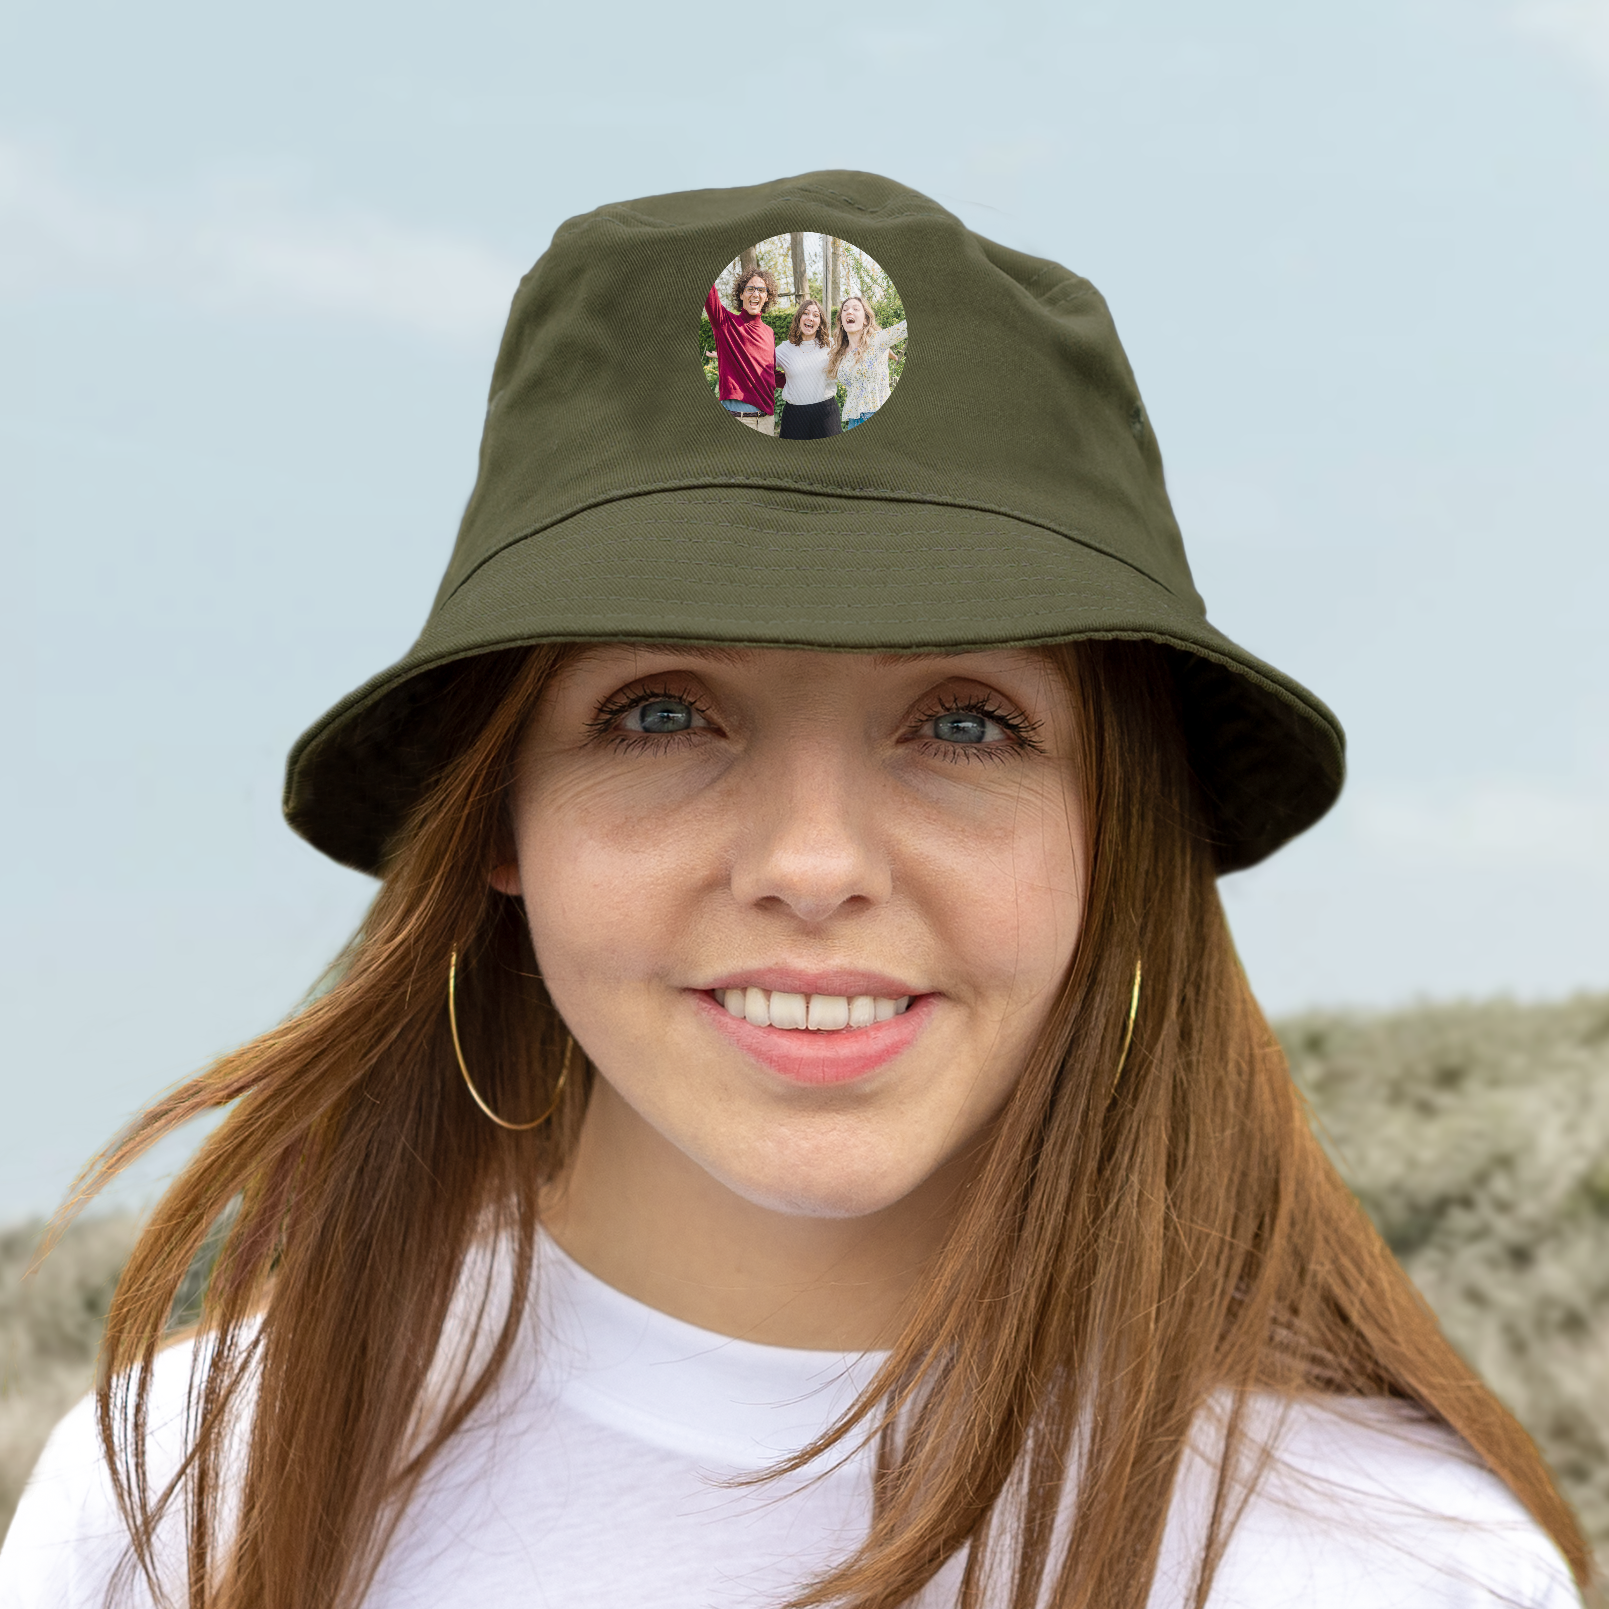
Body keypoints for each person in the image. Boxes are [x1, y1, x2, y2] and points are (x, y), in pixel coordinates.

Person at [0, 172, 1589, 1609]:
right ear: (496, 812)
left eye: (965, 722)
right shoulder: (181, 1499)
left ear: (1119, 833)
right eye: (663, 712)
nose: (813, 867)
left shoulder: (1404, 1565)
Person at [705, 262, 779, 435]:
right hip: (737, 418)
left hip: (767, 422)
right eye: (750, 289)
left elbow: (772, 375)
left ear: (767, 297)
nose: (756, 293)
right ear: (741, 294)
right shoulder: (724, 323)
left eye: (761, 290)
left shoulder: (769, 332)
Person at [830, 292, 907, 429]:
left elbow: (905, 327)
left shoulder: (878, 340)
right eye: (845, 309)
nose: (849, 312)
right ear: (841, 320)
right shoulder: (839, 351)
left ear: (865, 319)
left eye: (855, 308)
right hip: (853, 421)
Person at [773, 298, 841, 438]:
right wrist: (728, 355)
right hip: (794, 416)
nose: (810, 317)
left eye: (816, 315)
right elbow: (759, 364)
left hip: (826, 413)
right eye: (806, 313)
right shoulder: (785, 349)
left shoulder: (832, 346)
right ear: (799, 318)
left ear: (820, 323)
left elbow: (855, 351)